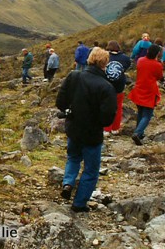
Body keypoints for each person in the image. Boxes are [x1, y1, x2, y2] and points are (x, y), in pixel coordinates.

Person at [56, 48, 116, 212]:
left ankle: (68, 183)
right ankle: (79, 203)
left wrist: (71, 111)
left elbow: (60, 102)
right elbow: (107, 118)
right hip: (92, 134)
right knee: (91, 170)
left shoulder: (74, 76)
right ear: (105, 64)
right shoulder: (106, 87)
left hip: (73, 128)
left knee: (73, 157)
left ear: (89, 59)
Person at [128, 44, 164, 145]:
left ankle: (140, 132)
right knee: (147, 115)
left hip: (139, 88)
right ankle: (137, 133)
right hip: (150, 91)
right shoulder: (157, 65)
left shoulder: (140, 60)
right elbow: (159, 76)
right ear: (157, 53)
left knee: (140, 112)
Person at [103, 41, 132, 136]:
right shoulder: (125, 58)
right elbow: (127, 66)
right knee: (118, 107)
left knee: (106, 107)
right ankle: (115, 129)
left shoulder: (105, 56)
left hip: (107, 85)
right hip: (120, 85)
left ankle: (106, 129)